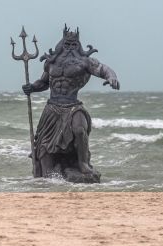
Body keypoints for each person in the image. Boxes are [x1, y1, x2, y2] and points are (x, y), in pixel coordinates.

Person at [22, 25, 120, 181]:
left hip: (73, 106)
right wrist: (32, 87)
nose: (69, 48)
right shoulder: (51, 62)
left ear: (79, 46)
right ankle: (49, 176)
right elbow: (43, 82)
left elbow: (103, 69)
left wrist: (112, 77)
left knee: (79, 130)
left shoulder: (85, 62)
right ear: (61, 44)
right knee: (44, 148)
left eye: (74, 45)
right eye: (67, 44)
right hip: (52, 108)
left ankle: (83, 163)